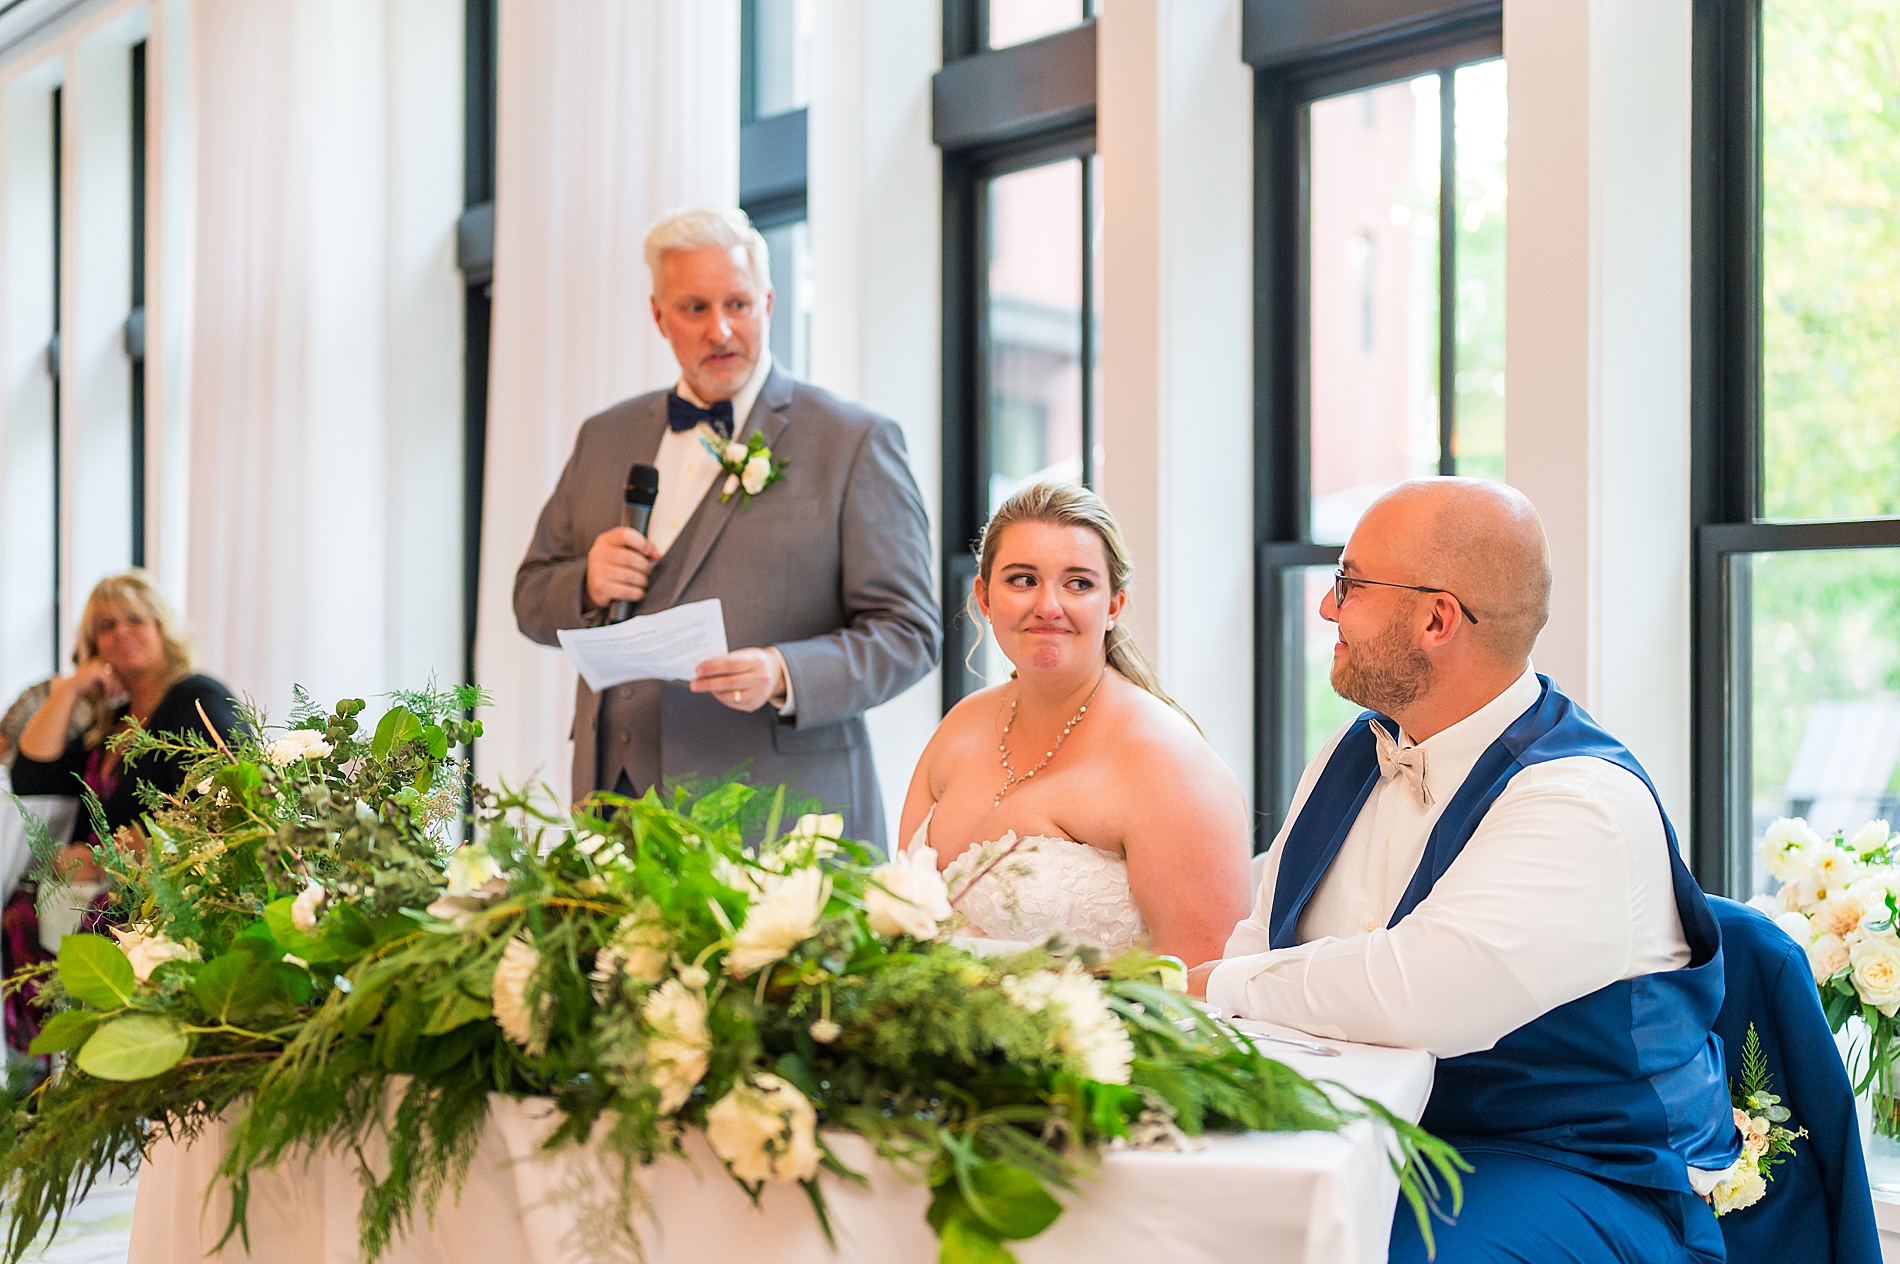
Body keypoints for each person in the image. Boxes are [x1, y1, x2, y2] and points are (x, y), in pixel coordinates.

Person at [1188, 478, 1741, 1263]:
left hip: (1568, 1167)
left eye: (1348, 585)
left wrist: (1210, 985)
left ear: (1437, 618)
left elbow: (1424, 996)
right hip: (1366, 1136)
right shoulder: (1354, 752)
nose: (1326, 610)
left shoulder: (1579, 801)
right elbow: (1261, 935)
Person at [514, 207, 939, 850]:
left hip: (780, 822)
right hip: (613, 812)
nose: (721, 330)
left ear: (768, 302)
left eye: (738, 304)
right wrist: (587, 583)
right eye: (694, 308)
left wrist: (784, 672)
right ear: (658, 315)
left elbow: (909, 634)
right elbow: (530, 598)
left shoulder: (853, 443)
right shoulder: (603, 438)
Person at [897, 482, 1253, 964]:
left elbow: (1205, 983)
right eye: (1022, 580)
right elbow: (898, 924)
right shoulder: (960, 726)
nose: (1048, 605)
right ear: (983, 596)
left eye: (1079, 583)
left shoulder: (1165, 761)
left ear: (1113, 606)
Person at [6, 572, 241, 1055]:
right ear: (94, 646)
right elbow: (32, 775)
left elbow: (232, 788)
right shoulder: (109, 723)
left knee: (76, 923)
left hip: (159, 889)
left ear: (162, 627)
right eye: (106, 627)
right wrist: (70, 689)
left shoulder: (195, 696)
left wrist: (118, 855)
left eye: (136, 619)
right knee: (20, 911)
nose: (122, 633)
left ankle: (81, 1070)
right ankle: (42, 1078)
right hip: (89, 890)